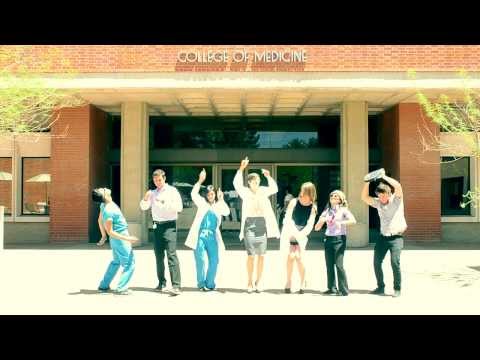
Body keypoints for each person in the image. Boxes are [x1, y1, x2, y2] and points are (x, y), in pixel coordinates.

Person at [233, 157, 280, 293]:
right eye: (254, 181)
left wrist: (268, 176)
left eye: (258, 181)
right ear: (249, 183)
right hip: (249, 225)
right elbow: (236, 184)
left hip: (262, 224)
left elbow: (275, 188)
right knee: (251, 255)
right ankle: (249, 281)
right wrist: (241, 168)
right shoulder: (244, 191)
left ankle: (258, 282)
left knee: (262, 255)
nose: (257, 183)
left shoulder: (263, 190)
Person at [361, 171, 407, 298]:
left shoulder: (397, 200)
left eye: (384, 195)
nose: (382, 198)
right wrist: (367, 182)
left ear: (389, 193)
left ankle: (397, 289)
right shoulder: (378, 202)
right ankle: (380, 287)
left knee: (395, 262)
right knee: (376, 262)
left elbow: (398, 186)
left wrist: (383, 177)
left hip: (396, 238)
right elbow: (364, 198)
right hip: (382, 237)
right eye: (379, 196)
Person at [185, 168, 230, 291]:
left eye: (212, 194)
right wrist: (200, 181)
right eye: (208, 194)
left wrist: (221, 199)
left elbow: (227, 211)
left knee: (214, 260)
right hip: (200, 235)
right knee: (200, 260)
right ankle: (201, 284)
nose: (210, 196)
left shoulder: (218, 205)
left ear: (215, 194)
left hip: (212, 236)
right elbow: (193, 194)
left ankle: (210, 284)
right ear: (206, 195)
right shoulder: (202, 203)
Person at [140, 169, 183, 296]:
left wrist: (166, 204)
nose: (157, 182)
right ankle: (161, 283)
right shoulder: (152, 193)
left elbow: (179, 207)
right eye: (155, 180)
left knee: (171, 254)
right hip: (156, 226)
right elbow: (143, 207)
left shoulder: (172, 191)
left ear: (164, 179)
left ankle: (176, 286)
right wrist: (145, 198)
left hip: (169, 225)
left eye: (159, 180)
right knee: (158, 256)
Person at [94, 187, 138, 295]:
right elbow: (111, 231)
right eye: (102, 190)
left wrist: (103, 236)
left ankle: (103, 285)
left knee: (116, 262)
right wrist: (128, 238)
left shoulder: (103, 205)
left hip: (116, 239)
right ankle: (121, 288)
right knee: (130, 263)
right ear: (104, 196)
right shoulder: (109, 210)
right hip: (120, 239)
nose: (104, 188)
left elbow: (99, 220)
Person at [315, 190, 356, 296]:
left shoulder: (343, 210)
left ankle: (344, 290)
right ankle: (332, 288)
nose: (333, 197)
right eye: (331, 196)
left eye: (336, 196)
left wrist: (340, 222)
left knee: (339, 265)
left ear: (340, 199)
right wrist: (321, 220)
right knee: (329, 265)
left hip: (339, 239)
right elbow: (317, 228)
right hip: (328, 238)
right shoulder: (327, 211)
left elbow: (353, 221)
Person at [280, 182, 317, 294]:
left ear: (310, 193)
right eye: (302, 190)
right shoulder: (293, 202)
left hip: (302, 235)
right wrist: (293, 233)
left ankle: (303, 282)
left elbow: (310, 225)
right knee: (290, 257)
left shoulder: (313, 207)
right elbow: (287, 219)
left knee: (299, 258)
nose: (302, 193)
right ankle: (288, 281)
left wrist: (299, 235)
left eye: (305, 191)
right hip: (289, 232)